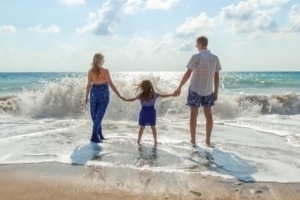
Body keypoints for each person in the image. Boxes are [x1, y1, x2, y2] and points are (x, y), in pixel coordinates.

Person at [174, 36, 222, 146]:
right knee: (209, 116)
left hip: (195, 89)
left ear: (200, 44)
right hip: (208, 90)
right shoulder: (215, 58)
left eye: (196, 45)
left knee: (193, 116)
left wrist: (179, 87)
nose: (196, 47)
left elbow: (188, 73)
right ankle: (208, 141)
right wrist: (216, 92)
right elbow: (216, 77)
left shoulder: (196, 57)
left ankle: (193, 140)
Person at [85, 53, 124, 143]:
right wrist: (119, 95)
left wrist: (86, 96)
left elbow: (88, 86)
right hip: (103, 92)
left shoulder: (91, 71)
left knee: (96, 115)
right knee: (97, 115)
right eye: (103, 59)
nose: (104, 61)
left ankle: (99, 134)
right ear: (100, 61)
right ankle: (95, 135)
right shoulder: (105, 71)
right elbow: (110, 84)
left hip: (94, 92)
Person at [123, 80, 175, 145]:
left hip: (144, 112)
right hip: (151, 112)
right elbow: (164, 96)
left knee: (142, 127)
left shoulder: (141, 95)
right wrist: (172, 94)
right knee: (153, 127)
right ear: (150, 86)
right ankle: (155, 141)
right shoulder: (154, 94)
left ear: (142, 87)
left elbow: (132, 99)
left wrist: (125, 99)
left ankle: (138, 141)